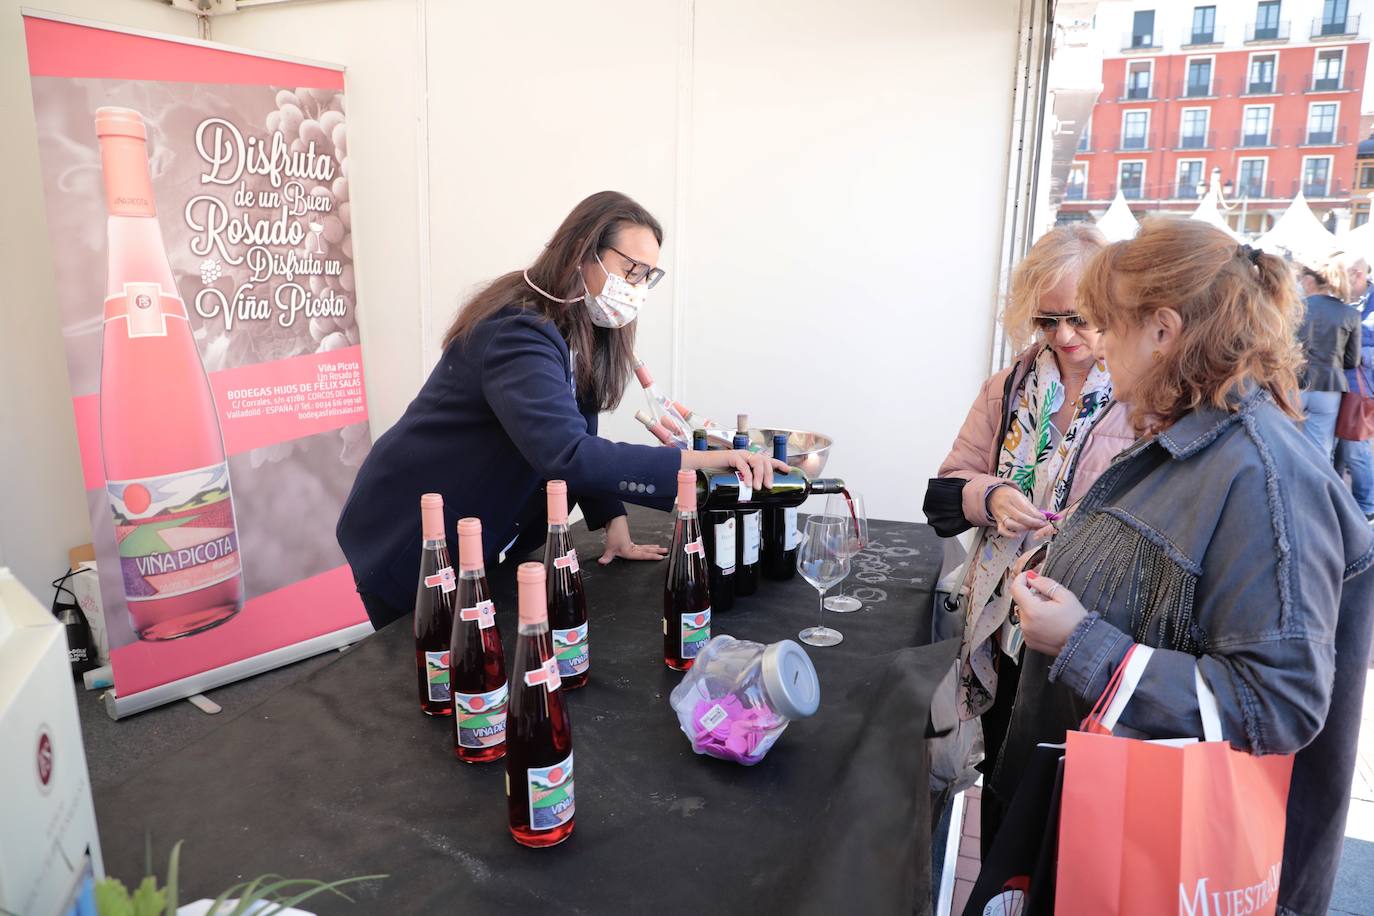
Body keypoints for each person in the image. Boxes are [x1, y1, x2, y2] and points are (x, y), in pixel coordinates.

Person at [998, 218, 1374, 914]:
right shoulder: (1200, 440)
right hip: (1102, 825)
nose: (1101, 349)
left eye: (1109, 327)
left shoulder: (1264, 476)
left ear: (1163, 330)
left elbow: (1280, 702)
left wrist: (1083, 643)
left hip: (1164, 861)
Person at [336, 191, 786, 628]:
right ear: (582, 251)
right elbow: (568, 453)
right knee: (431, 674)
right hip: (408, 538)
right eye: (630, 270)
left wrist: (612, 519)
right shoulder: (517, 331)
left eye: (648, 276)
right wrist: (703, 463)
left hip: (480, 534)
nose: (636, 290)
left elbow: (579, 430)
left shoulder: (575, 325)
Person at [922, 223, 1135, 848]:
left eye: (1081, 319)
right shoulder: (1011, 385)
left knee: (1075, 805)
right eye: (1048, 321)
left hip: (1088, 629)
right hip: (1004, 623)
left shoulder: (1141, 395)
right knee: (1006, 785)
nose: (1064, 337)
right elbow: (944, 490)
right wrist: (990, 496)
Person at [1295, 258, 1360, 460]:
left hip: (1293, 382)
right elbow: (1352, 361)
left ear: (1308, 280)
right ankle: (1315, 490)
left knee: (1284, 443)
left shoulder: (1297, 308)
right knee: (1320, 452)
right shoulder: (1350, 313)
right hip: (1329, 386)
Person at [1335, 255, 1374, 520]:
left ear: (1357, 274)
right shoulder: (1356, 300)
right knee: (1344, 445)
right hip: (1348, 381)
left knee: (1355, 444)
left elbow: (1366, 346)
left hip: (1362, 385)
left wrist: (1351, 348)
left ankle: (1368, 506)